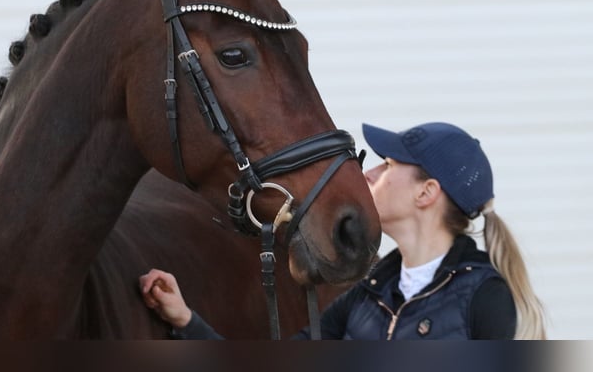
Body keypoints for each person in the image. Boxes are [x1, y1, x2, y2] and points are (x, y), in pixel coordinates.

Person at [139, 121, 547, 339]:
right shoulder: (365, 296)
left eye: (386, 166)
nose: (367, 174)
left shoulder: (484, 298)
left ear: (427, 193)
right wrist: (186, 320)